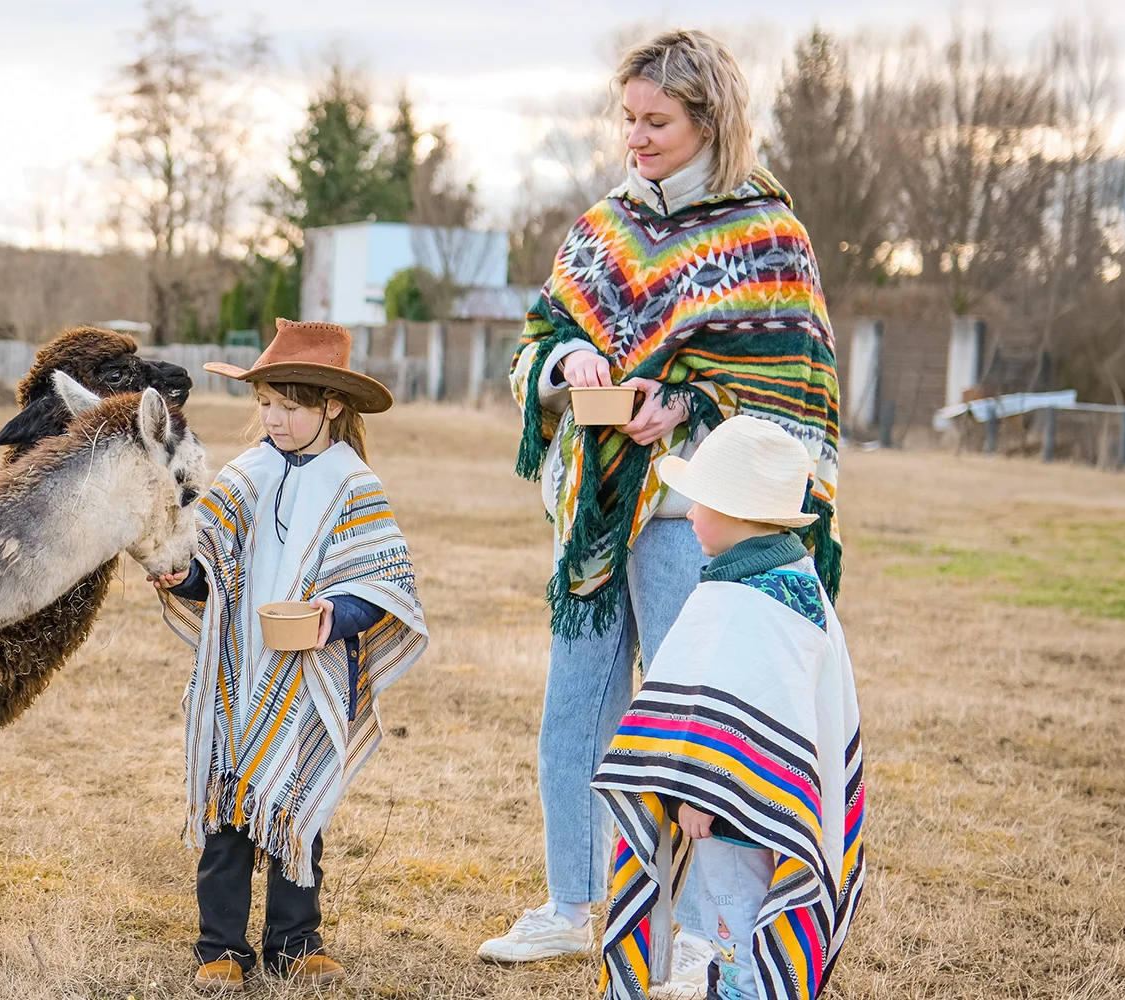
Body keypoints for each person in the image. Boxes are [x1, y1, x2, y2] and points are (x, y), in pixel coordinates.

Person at [481, 27, 843, 989]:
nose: (636, 139)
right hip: (599, 515)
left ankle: (702, 926)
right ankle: (569, 905)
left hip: (698, 519)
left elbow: (791, 393)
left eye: (658, 122)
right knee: (576, 709)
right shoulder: (603, 229)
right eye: (629, 119)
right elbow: (535, 342)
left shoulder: (769, 236)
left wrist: (689, 405)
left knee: (700, 723)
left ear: (710, 120)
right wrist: (569, 366)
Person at [153, 319, 428, 993]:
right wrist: (181, 575)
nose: (273, 419)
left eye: (290, 406)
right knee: (227, 808)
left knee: (296, 802)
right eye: (266, 405)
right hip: (236, 668)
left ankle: (294, 940)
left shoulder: (354, 484)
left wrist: (333, 617)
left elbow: (380, 584)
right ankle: (219, 945)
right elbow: (210, 565)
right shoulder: (246, 473)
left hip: (310, 671)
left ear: (331, 405)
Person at [591, 414, 867, 1000]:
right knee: (746, 927)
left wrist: (693, 792)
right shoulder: (793, 580)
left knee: (736, 928)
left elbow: (719, 719)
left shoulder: (744, 599)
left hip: (730, 818)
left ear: (738, 514)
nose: (689, 514)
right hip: (775, 806)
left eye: (700, 502)